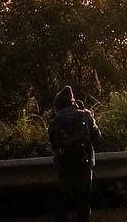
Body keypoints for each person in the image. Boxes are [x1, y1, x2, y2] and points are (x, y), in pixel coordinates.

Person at [48, 85, 103, 222]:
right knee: (84, 203)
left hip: (64, 167)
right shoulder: (86, 116)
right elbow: (98, 139)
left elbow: (54, 146)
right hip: (84, 165)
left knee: (63, 202)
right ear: (72, 102)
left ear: (58, 105)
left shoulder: (54, 122)